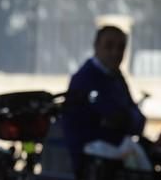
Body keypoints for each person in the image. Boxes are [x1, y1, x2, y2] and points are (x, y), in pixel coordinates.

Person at [62, 25, 146, 171]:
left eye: (121, 48)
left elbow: (134, 117)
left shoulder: (117, 77)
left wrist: (127, 120)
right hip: (93, 163)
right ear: (96, 46)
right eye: (109, 46)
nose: (115, 53)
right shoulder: (84, 79)